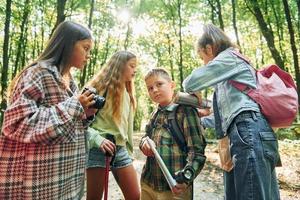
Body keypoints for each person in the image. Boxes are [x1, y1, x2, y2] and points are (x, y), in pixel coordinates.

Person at [0, 21, 97, 199]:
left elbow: (63, 124)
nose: (88, 55)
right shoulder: (38, 73)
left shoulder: (70, 82)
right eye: (85, 48)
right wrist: (75, 106)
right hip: (38, 184)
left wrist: (84, 114)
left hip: (65, 181)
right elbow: (16, 123)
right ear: (67, 45)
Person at [183, 24, 281, 200]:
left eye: (202, 57)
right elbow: (225, 117)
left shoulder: (229, 58)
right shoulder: (229, 73)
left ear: (209, 48)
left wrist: (193, 87)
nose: (204, 63)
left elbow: (190, 83)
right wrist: (202, 120)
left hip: (248, 131)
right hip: (250, 131)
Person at [139, 68, 206, 200]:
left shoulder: (186, 111)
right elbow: (145, 137)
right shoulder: (155, 113)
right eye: (150, 88)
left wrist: (186, 178)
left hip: (175, 188)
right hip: (148, 184)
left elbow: (197, 152)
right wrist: (144, 144)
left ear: (172, 85)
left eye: (159, 84)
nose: (155, 90)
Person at [85, 50, 140, 200]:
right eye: (132, 66)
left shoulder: (128, 93)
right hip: (98, 148)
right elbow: (80, 122)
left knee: (135, 196)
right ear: (119, 66)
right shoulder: (98, 88)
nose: (135, 70)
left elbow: (125, 128)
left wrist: (128, 151)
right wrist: (98, 140)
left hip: (120, 150)